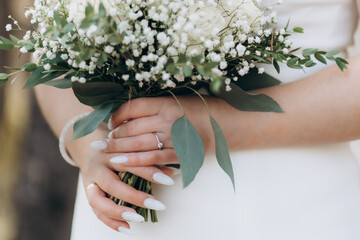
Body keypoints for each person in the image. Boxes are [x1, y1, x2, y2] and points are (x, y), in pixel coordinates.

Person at [35, 0, 360, 239]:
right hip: (124, 204)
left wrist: (211, 126)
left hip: (293, 201)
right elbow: (50, 53)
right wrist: (89, 151)